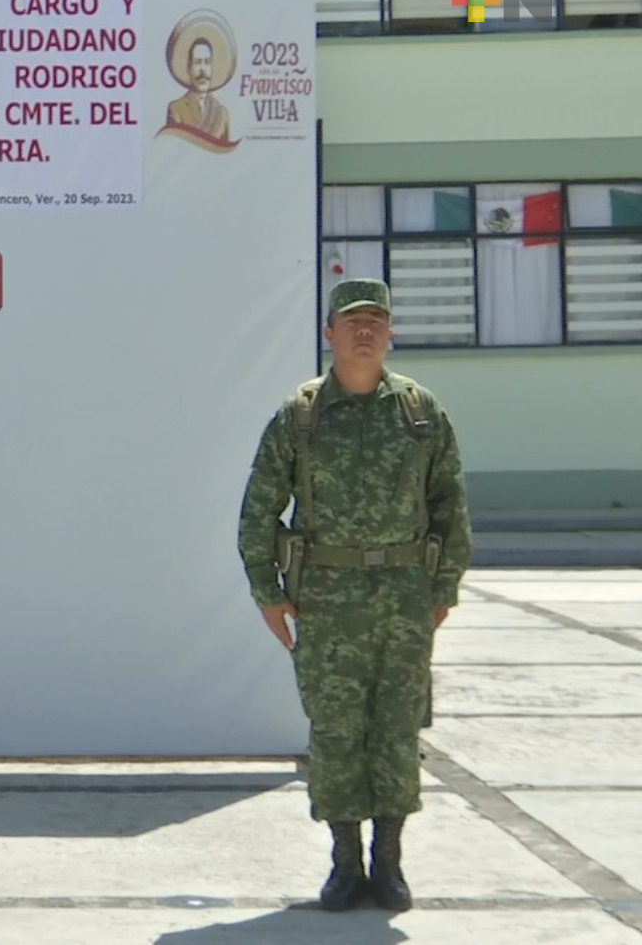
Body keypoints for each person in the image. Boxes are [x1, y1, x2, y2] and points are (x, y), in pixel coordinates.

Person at [236, 279, 471, 913]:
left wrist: (442, 588)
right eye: (351, 321)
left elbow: (450, 505)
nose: (364, 331)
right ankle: (343, 861)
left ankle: (388, 860)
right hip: (328, 596)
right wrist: (268, 592)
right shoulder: (302, 415)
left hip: (403, 594)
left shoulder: (420, 411)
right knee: (337, 729)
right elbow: (260, 509)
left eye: (376, 321)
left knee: (395, 729)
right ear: (329, 335)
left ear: (390, 333)